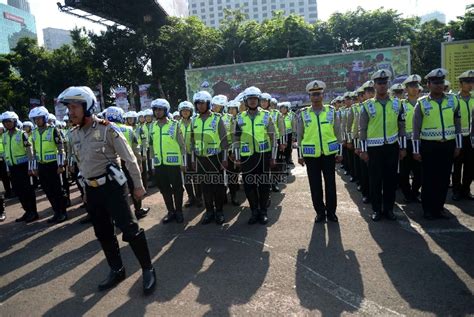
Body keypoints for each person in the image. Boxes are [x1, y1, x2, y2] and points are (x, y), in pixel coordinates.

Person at [60, 86, 156, 295]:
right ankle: (117, 269)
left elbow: (130, 158)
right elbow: (81, 164)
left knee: (130, 230)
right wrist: (85, 189)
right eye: (69, 108)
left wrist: (138, 186)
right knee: (103, 233)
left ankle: (148, 268)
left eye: (74, 107)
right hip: (93, 191)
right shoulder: (73, 134)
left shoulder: (107, 128)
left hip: (113, 187)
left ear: (87, 106)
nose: (70, 112)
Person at [412, 68, 462, 219]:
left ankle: (439, 208)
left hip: (448, 145)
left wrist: (458, 145)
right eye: (435, 83)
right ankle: (428, 209)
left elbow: (458, 124)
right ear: (428, 84)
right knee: (428, 179)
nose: (438, 85)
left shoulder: (453, 100)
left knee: (444, 178)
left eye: (441, 82)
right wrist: (416, 150)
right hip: (429, 147)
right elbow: (416, 130)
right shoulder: (421, 104)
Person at [359, 69, 407, 222]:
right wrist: (363, 150)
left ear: (388, 84)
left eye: (384, 82)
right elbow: (363, 130)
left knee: (390, 179)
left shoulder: (397, 103)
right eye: (379, 83)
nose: (382, 85)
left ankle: (388, 209)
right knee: (375, 180)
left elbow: (402, 127)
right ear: (374, 85)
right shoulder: (367, 106)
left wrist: (403, 147)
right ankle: (376, 209)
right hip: (374, 149)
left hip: (392, 147)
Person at [297, 80, 343, 223]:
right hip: (311, 156)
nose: (316, 97)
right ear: (309, 96)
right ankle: (320, 213)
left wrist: (340, 152)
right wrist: (300, 155)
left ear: (323, 95)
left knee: (330, 184)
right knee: (315, 185)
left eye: (318, 94)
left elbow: (338, 133)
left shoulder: (331, 111)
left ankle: (331, 213)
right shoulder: (303, 114)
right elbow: (300, 136)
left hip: (329, 154)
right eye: (313, 94)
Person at [234, 86, 276, 225]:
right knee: (249, 185)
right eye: (250, 99)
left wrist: (273, 156)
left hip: (263, 155)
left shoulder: (266, 115)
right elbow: (236, 139)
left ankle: (263, 212)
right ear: (245, 101)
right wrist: (237, 157)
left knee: (264, 184)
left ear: (258, 100)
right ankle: (254, 211)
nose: (252, 101)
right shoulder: (240, 118)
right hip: (247, 157)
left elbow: (273, 137)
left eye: (255, 99)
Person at [191, 91, 229, 225]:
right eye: (197, 104)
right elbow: (191, 142)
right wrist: (193, 160)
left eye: (202, 103)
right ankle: (209, 211)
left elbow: (224, 141)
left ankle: (219, 211)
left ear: (208, 104)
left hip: (216, 158)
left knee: (217, 187)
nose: (200, 106)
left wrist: (224, 159)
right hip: (201, 159)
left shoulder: (217, 119)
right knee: (205, 187)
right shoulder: (194, 120)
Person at [106, 107, 150, 219]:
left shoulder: (104, 130)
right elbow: (136, 148)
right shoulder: (129, 129)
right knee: (133, 186)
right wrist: (139, 162)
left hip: (114, 167)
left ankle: (121, 215)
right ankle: (138, 210)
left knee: (119, 190)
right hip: (128, 164)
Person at [149, 99, 186, 224]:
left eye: (160, 109)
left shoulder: (175, 125)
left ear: (166, 110)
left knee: (177, 188)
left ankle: (179, 211)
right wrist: (153, 164)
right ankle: (170, 211)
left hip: (174, 163)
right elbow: (152, 147)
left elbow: (182, 145)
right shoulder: (152, 126)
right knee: (164, 189)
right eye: (156, 109)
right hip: (160, 164)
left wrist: (183, 163)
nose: (157, 112)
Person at [29, 106, 68, 223]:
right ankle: (56, 212)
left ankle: (63, 212)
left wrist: (61, 165)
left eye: (39, 118)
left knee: (57, 190)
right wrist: (34, 167)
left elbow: (60, 148)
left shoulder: (53, 130)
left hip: (54, 165)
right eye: (35, 119)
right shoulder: (34, 133)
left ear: (45, 118)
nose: (37, 121)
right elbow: (34, 152)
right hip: (42, 166)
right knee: (48, 190)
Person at [1, 111, 37, 222]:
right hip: (13, 167)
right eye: (5, 122)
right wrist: (7, 168)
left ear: (15, 122)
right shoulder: (4, 136)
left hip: (24, 166)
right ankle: (27, 211)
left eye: (9, 121)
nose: (7, 124)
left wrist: (31, 167)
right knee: (18, 191)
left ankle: (33, 212)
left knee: (28, 190)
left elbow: (30, 152)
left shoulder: (22, 134)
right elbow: (6, 153)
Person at [399, 74, 423, 203]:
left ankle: (414, 192)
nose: (414, 88)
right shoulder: (401, 105)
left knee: (419, 173)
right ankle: (408, 194)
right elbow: (399, 126)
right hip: (406, 142)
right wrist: (401, 146)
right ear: (406, 89)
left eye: (416, 86)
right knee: (404, 172)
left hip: (420, 141)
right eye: (411, 86)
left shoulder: (423, 103)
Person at [452, 70, 474, 201]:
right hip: (457, 138)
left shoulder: (473, 99)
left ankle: (466, 190)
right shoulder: (454, 99)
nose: (470, 85)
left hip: (471, 139)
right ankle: (456, 190)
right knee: (457, 166)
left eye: (472, 82)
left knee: (470, 166)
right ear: (461, 84)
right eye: (467, 82)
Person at [178, 101, 203, 208]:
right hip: (183, 155)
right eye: (183, 110)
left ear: (191, 111)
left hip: (195, 154)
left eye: (187, 110)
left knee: (197, 177)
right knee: (186, 177)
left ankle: (199, 197)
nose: (185, 112)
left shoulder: (195, 122)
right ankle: (190, 197)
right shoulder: (177, 124)